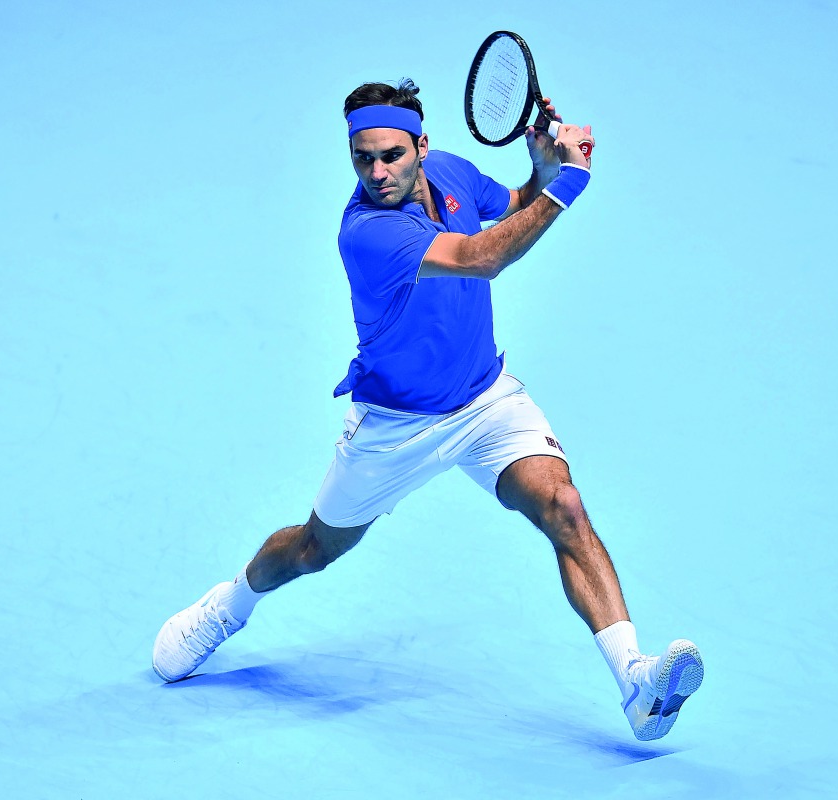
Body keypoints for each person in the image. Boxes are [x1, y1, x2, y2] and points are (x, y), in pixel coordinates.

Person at [151, 79, 703, 742]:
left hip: (484, 398)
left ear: (422, 147)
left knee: (565, 508)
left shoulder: (452, 173)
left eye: (392, 155)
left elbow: (513, 207)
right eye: (363, 158)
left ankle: (637, 684)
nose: (378, 172)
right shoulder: (368, 232)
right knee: (311, 550)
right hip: (396, 426)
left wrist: (542, 172)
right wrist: (571, 182)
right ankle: (228, 606)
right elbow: (481, 256)